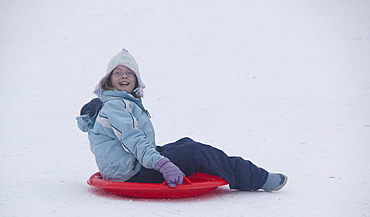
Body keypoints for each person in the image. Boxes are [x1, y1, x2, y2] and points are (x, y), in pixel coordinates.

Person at [76, 48, 287, 191]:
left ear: (136, 81)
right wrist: (162, 164)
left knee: (186, 143)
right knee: (195, 152)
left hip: (127, 168)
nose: (124, 76)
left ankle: (217, 168)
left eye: (129, 74)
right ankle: (256, 178)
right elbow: (133, 140)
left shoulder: (120, 103)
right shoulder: (115, 106)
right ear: (109, 80)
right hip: (130, 174)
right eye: (118, 73)